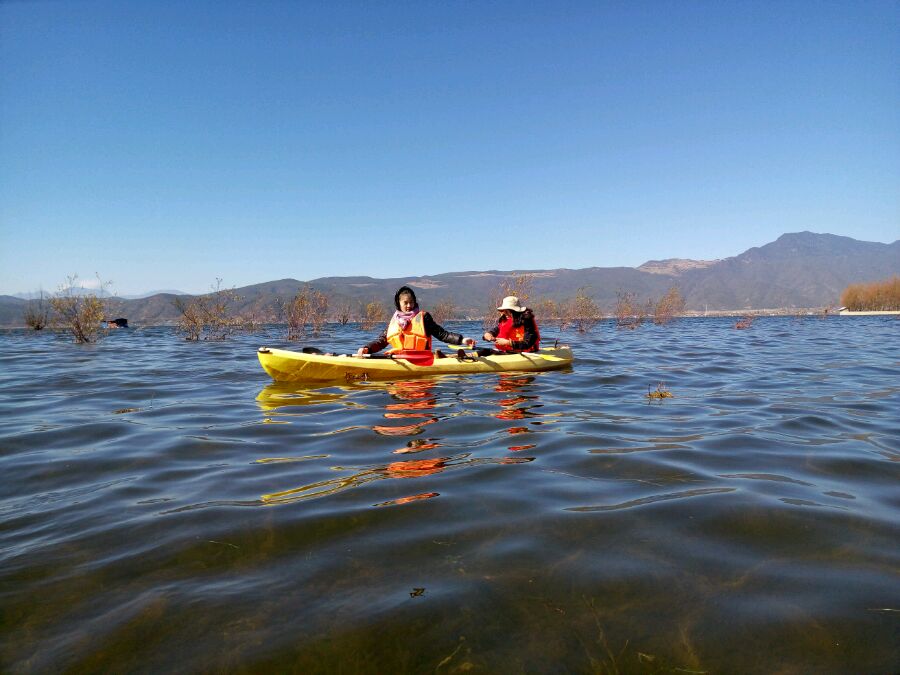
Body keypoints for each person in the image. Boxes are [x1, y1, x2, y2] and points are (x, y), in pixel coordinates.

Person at [357, 286, 475, 356]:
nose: (409, 305)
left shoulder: (424, 318)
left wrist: (462, 340)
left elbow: (442, 334)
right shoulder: (394, 321)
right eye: (405, 303)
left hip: (422, 360)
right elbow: (381, 341)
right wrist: (367, 348)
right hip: (399, 360)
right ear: (399, 303)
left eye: (411, 302)